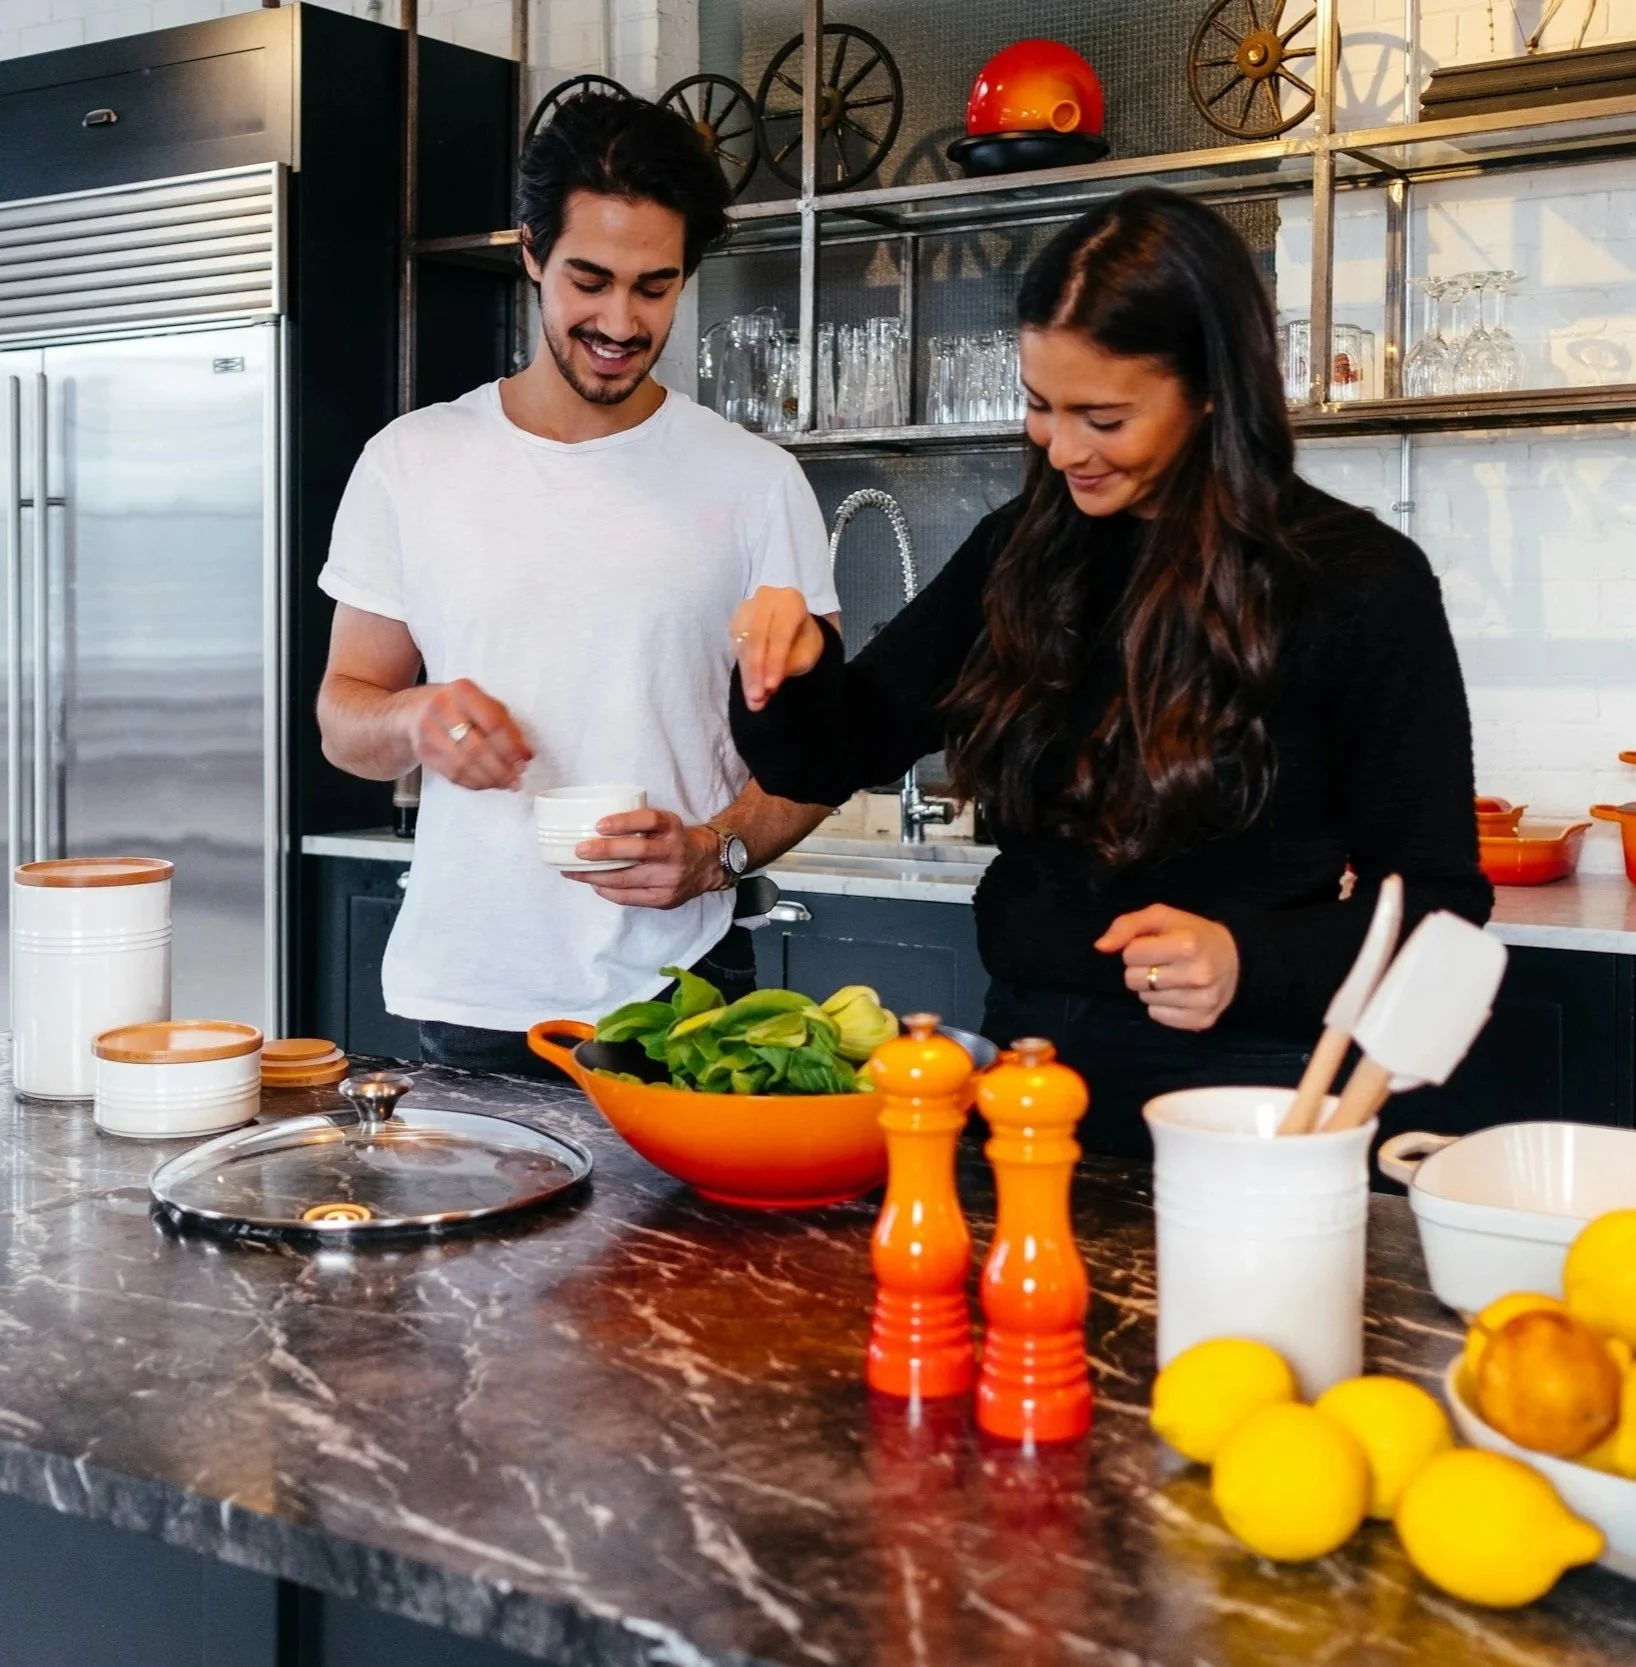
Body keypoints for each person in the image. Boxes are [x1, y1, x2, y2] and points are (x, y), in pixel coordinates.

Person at [728, 188, 1492, 1157]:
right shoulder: (1018, 552)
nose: (1062, 447)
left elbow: (1438, 905)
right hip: (1026, 1075)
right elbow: (836, 750)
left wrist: (1245, 958)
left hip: (1243, 1091)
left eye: (1103, 415)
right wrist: (788, 670)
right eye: (1040, 406)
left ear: (1211, 387)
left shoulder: (1357, 584)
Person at [316, 92, 837, 1074]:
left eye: (654, 287)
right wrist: (415, 720)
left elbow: (826, 745)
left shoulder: (755, 481)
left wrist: (716, 850)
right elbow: (344, 717)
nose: (619, 320)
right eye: (588, 280)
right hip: (467, 993)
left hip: (678, 995)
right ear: (530, 252)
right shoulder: (413, 461)